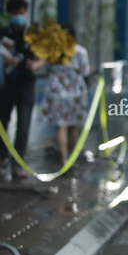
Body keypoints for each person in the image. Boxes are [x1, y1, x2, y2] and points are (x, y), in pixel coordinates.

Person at [0, 0, 45, 178]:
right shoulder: (3, 34)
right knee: (2, 123)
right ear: (9, 14)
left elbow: (43, 57)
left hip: (26, 84)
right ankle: (2, 158)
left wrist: (35, 65)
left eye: (21, 13)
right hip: (6, 86)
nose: (19, 16)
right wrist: (5, 60)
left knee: (24, 124)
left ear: (26, 12)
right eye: (15, 13)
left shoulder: (34, 34)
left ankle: (18, 164)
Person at [38, 24, 90, 166]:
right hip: (76, 94)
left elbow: (47, 69)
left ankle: (63, 159)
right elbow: (85, 71)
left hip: (57, 94)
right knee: (73, 127)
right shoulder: (80, 51)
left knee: (61, 127)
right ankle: (73, 158)